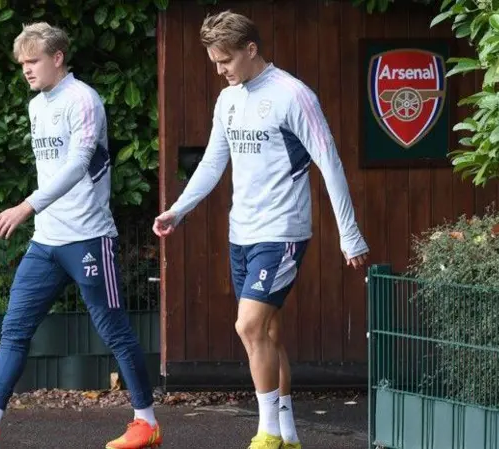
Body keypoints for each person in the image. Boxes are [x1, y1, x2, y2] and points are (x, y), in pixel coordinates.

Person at [0, 22, 161, 449]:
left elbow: (77, 165)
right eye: (21, 64)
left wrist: (25, 206)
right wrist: (36, 215)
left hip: (90, 237)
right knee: (14, 328)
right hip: (46, 242)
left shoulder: (83, 100)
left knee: (114, 330)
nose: (26, 70)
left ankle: (146, 422)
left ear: (57, 58)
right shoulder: (38, 105)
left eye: (33, 61)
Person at [152, 10, 369, 449]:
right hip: (242, 232)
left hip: (283, 232)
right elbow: (214, 162)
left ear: (251, 50)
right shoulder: (227, 100)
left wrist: (350, 234)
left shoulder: (293, 94)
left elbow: (329, 162)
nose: (219, 70)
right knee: (267, 333)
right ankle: (289, 435)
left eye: (226, 61)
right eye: (214, 62)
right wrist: (178, 209)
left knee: (248, 326)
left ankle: (267, 431)